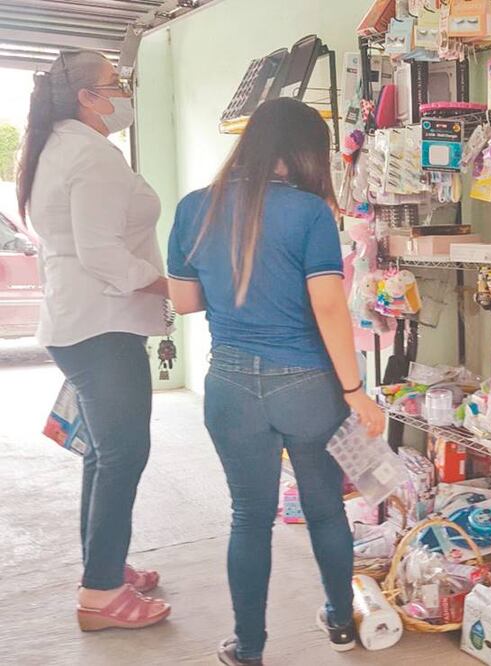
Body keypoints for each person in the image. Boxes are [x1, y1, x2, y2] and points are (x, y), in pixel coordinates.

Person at [166, 98, 385, 666]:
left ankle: (249, 648)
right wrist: (355, 392)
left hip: (230, 385)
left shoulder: (195, 207)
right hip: (308, 386)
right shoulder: (310, 213)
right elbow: (329, 307)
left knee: (249, 516)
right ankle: (341, 622)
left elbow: (184, 301)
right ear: (305, 152)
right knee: (325, 509)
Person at [16, 50, 171, 631]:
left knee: (104, 453)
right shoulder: (90, 155)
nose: (124, 91)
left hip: (80, 322)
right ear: (87, 96)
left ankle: (101, 566)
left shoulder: (57, 148)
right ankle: (101, 593)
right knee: (124, 453)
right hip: (102, 325)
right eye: (115, 82)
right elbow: (102, 252)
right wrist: (173, 287)